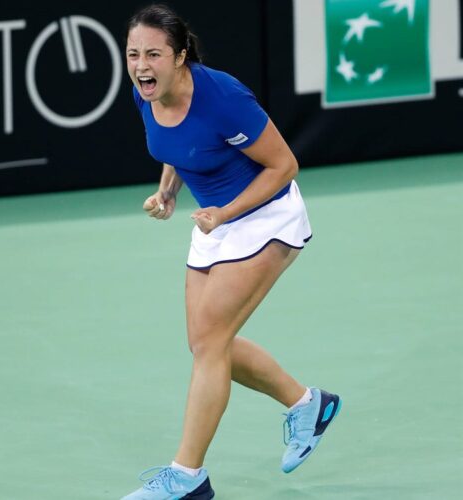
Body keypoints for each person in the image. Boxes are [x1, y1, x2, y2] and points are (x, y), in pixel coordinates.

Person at [120, 5, 342, 500]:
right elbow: (177, 146)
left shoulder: (223, 98)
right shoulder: (145, 93)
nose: (141, 66)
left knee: (211, 340)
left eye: (153, 54)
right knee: (205, 344)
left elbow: (284, 165)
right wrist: (168, 191)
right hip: (215, 222)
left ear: (180, 56)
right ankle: (307, 404)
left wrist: (226, 212)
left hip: (266, 217)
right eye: (133, 54)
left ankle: (187, 477)